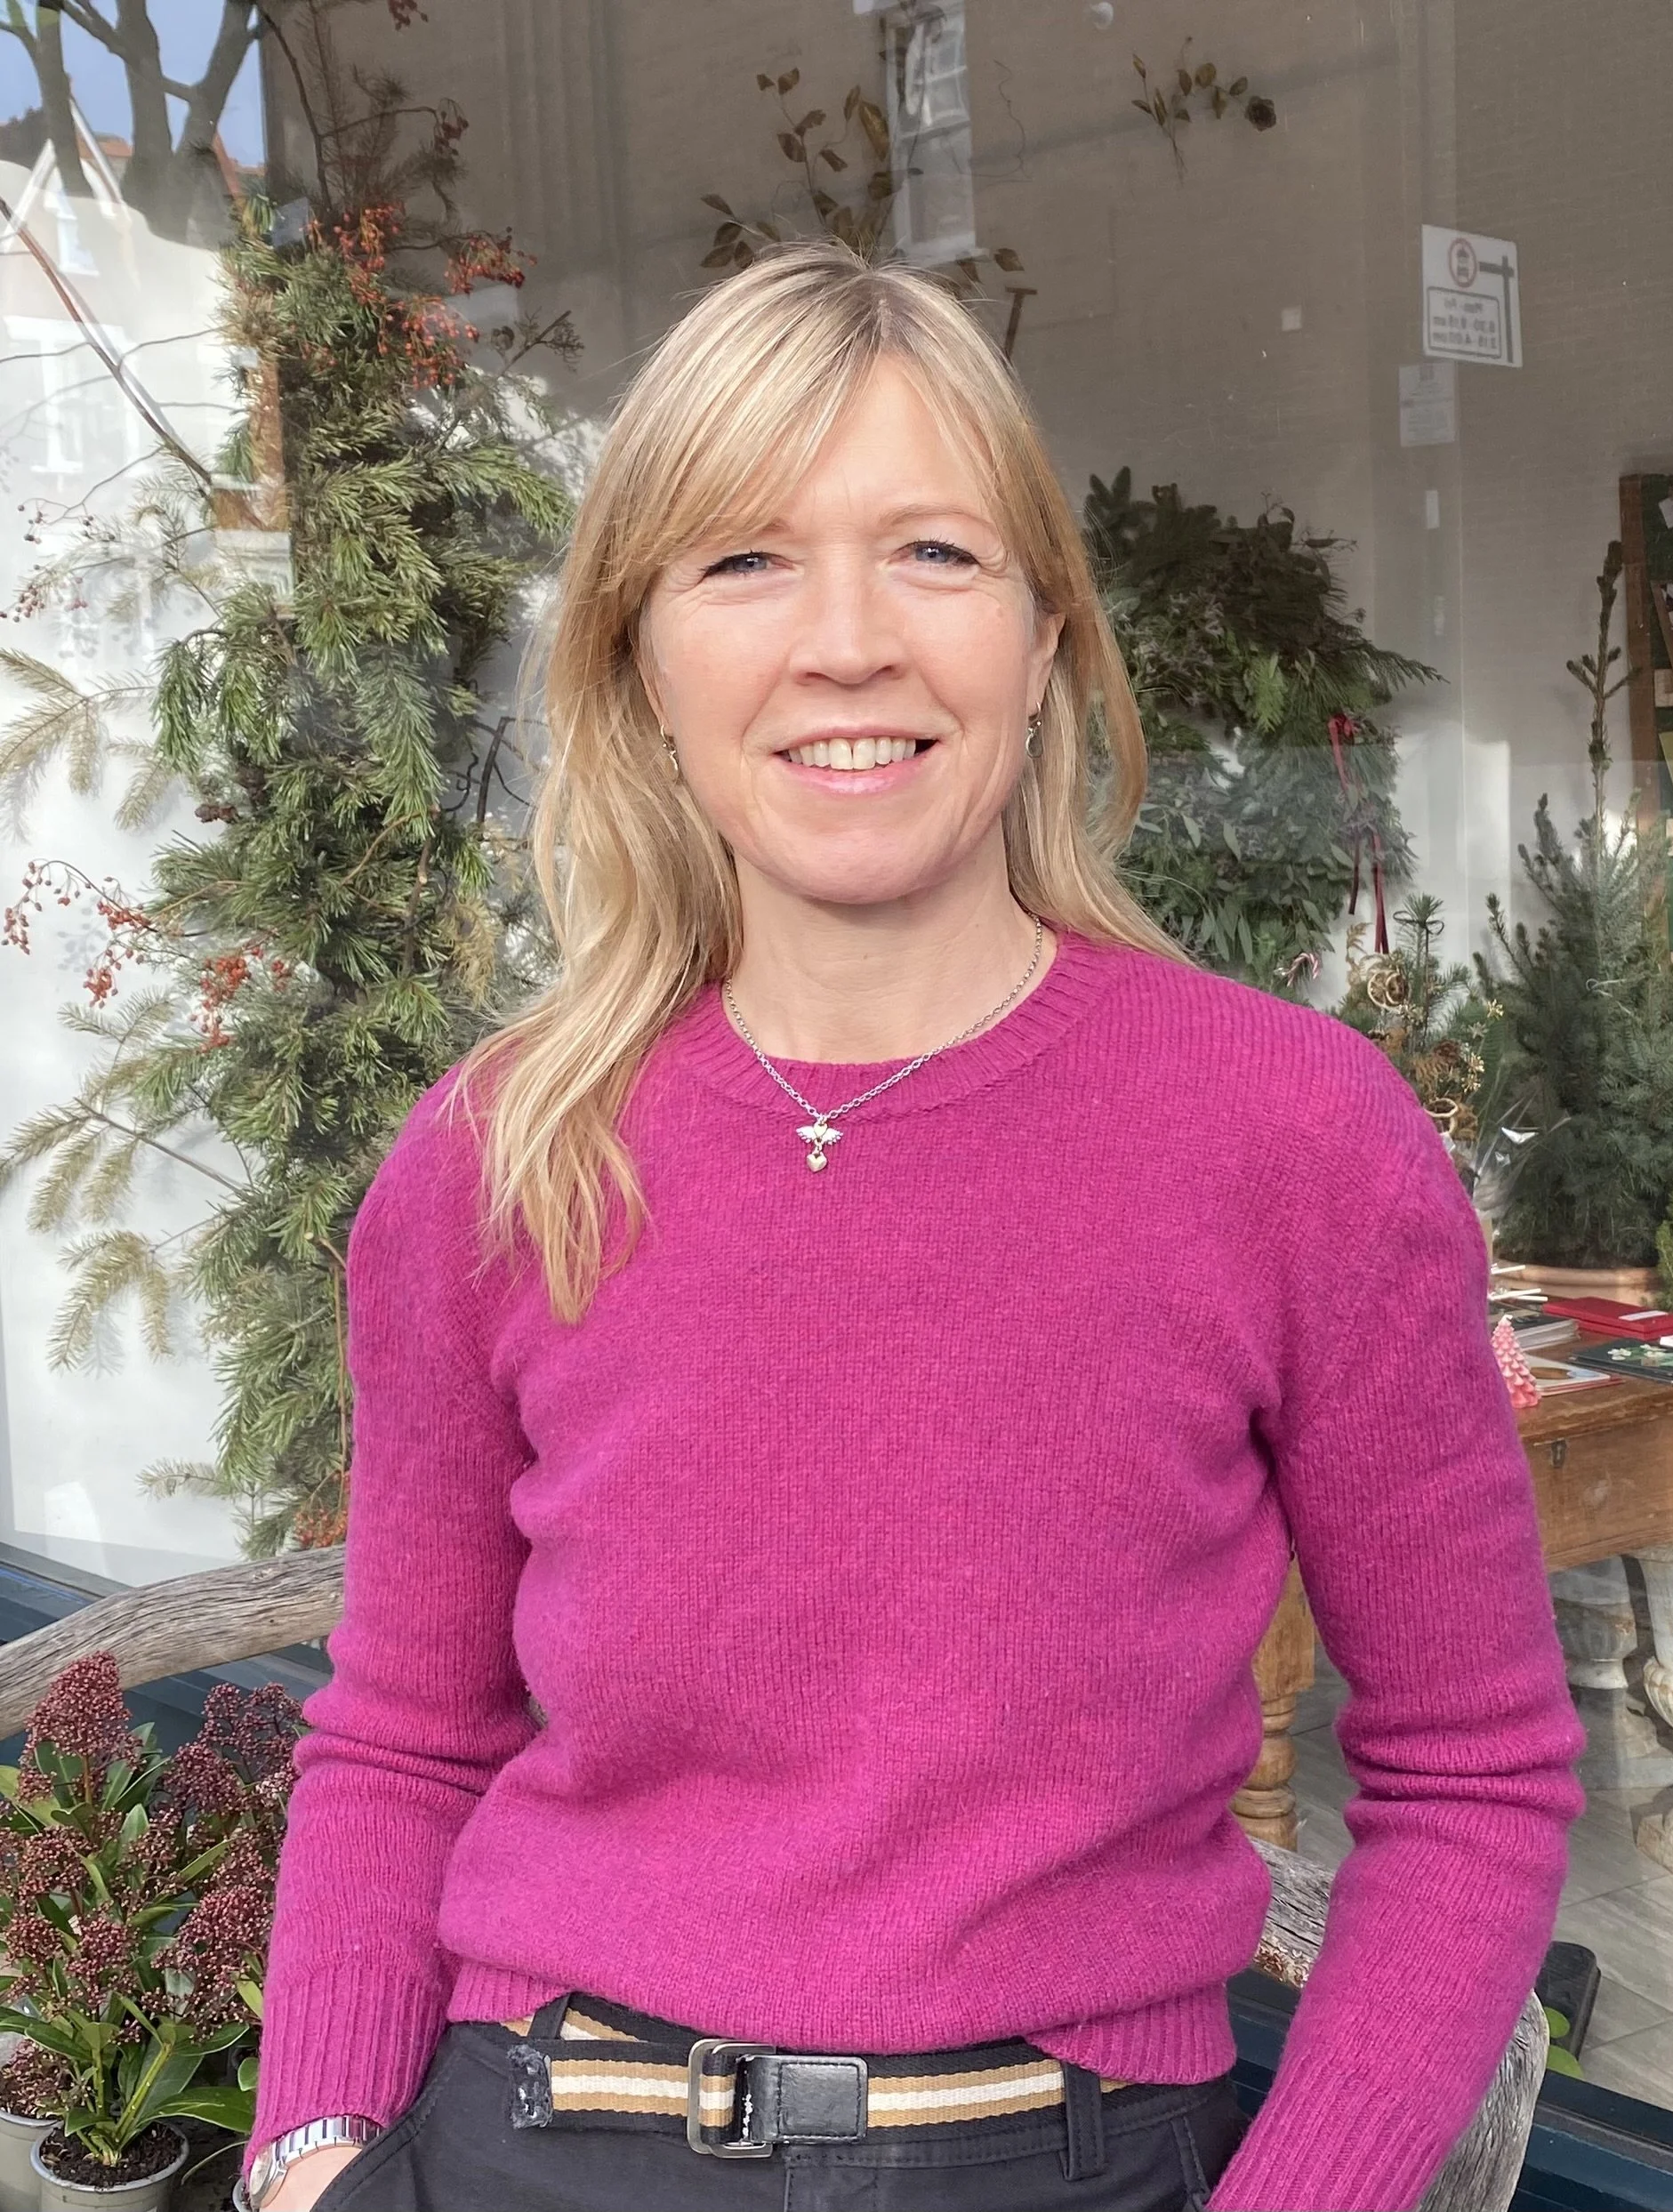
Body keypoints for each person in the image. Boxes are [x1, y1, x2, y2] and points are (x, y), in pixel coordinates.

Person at [243, 241, 1584, 2212]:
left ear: (1044, 638)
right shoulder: (498, 1161)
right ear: (636, 659)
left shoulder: (1289, 1138)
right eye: (742, 561)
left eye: (935, 554)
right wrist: (308, 2157)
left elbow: (1474, 1771)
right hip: (536, 2147)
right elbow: (399, 1742)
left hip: (1068, 2163)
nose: (846, 642)